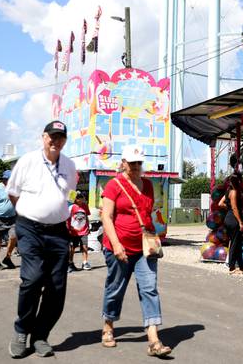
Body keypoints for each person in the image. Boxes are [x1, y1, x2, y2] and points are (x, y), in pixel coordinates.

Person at [5, 121, 78, 359]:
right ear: (43, 137)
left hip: (58, 231)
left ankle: (40, 335)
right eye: (52, 137)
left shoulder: (69, 165)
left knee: (57, 287)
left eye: (61, 138)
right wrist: (30, 214)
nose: (56, 142)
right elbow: (13, 193)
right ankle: (21, 331)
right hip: (30, 228)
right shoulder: (27, 161)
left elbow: (67, 196)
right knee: (33, 277)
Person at [100, 144, 171, 357]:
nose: (135, 167)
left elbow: (147, 213)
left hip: (144, 249)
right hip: (118, 247)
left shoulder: (148, 185)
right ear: (123, 163)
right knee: (116, 288)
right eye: (132, 163)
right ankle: (108, 326)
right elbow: (106, 217)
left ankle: (153, 340)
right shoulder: (114, 185)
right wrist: (116, 244)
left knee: (149, 288)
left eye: (139, 163)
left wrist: (153, 236)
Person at [0, 170, 18, 270]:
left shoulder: (14, 188)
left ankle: (7, 257)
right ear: (5, 179)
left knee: (14, 237)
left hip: (12, 218)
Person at [220, 174, 243, 274]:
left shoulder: (228, 192)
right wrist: (240, 222)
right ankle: (231, 267)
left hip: (228, 218)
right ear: (238, 182)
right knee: (235, 244)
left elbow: (220, 203)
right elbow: (235, 208)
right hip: (234, 220)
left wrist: (228, 207)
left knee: (238, 243)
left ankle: (241, 266)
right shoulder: (234, 192)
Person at [67, 191, 91, 272]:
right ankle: (70, 263)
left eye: (82, 199)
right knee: (72, 248)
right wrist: (70, 228)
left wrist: (88, 227)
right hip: (74, 231)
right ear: (76, 199)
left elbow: (86, 217)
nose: (81, 200)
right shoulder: (72, 207)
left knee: (85, 247)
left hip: (84, 230)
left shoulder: (85, 206)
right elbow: (67, 219)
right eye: (80, 199)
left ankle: (85, 262)